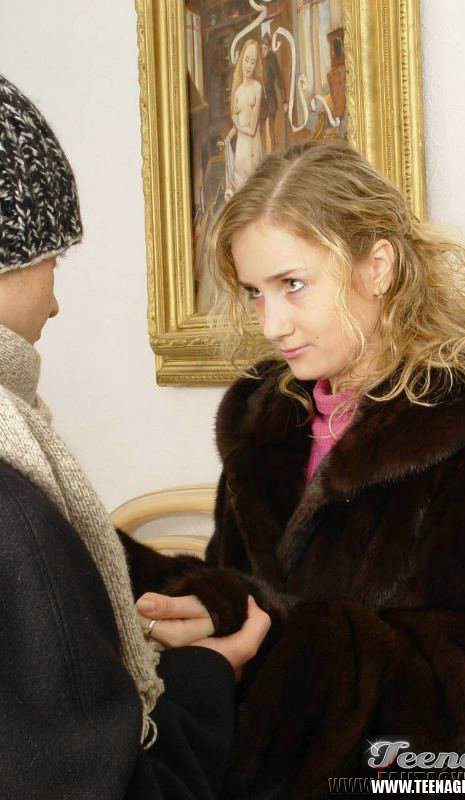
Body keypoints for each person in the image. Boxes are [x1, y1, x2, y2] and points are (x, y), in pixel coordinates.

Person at [127, 139, 465, 799]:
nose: (272, 324)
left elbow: (455, 696)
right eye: (255, 293)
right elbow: (241, 585)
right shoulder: (264, 416)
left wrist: (273, 633)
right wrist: (200, 596)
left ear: (377, 267)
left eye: (292, 285)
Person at [0, 73, 271, 800]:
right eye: (52, 261)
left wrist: (207, 601)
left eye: (293, 284)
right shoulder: (16, 515)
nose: (56, 303)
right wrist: (210, 665)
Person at [219, 39, 264, 201]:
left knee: (254, 193)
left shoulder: (257, 88)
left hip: (252, 150)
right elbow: (235, 126)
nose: (249, 65)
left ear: (256, 64)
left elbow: (251, 130)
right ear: (241, 60)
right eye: (246, 60)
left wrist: (237, 125)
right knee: (240, 194)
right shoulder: (237, 92)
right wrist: (226, 139)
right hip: (240, 151)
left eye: (253, 62)